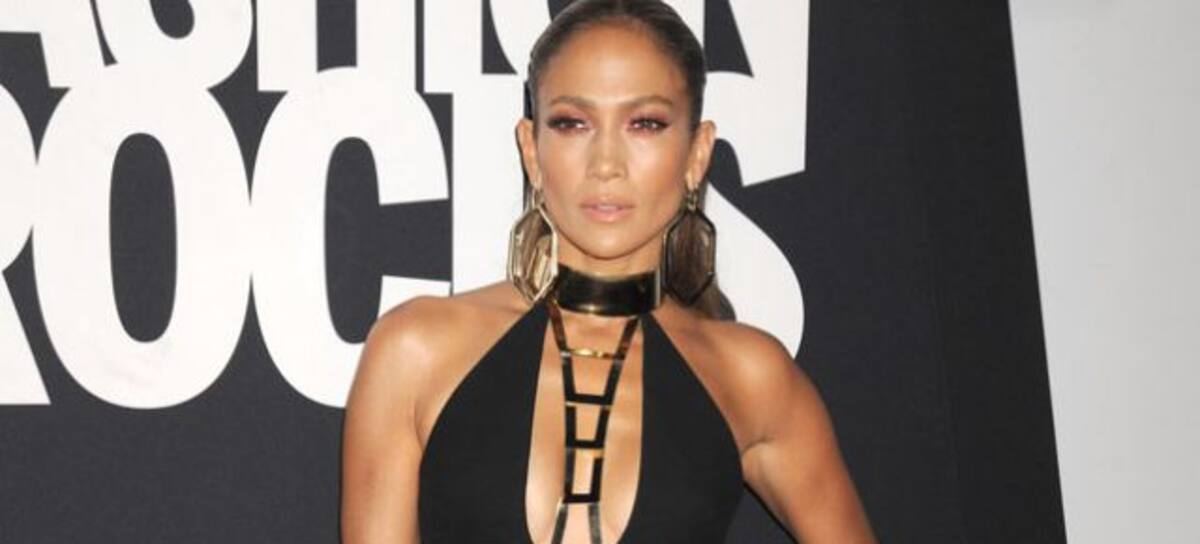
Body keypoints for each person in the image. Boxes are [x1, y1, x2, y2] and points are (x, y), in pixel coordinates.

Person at [341, 1, 875, 542]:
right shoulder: (416, 351)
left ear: (697, 153)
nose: (606, 165)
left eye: (645, 124)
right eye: (573, 124)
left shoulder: (751, 378)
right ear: (531, 149)